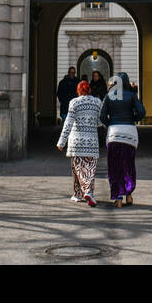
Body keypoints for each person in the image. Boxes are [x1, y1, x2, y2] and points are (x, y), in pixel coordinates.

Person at [99, 72, 145, 206]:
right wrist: (132, 120)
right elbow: (142, 112)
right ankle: (129, 195)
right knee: (128, 165)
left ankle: (118, 197)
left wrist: (111, 124)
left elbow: (102, 116)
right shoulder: (131, 96)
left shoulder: (109, 96)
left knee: (114, 166)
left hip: (114, 133)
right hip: (130, 134)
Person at [57, 77, 102, 206]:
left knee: (77, 168)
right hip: (92, 141)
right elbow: (99, 122)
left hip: (76, 141)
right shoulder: (97, 102)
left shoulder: (74, 103)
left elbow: (68, 124)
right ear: (89, 89)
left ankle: (82, 193)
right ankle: (86, 192)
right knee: (89, 169)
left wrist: (61, 142)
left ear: (78, 90)